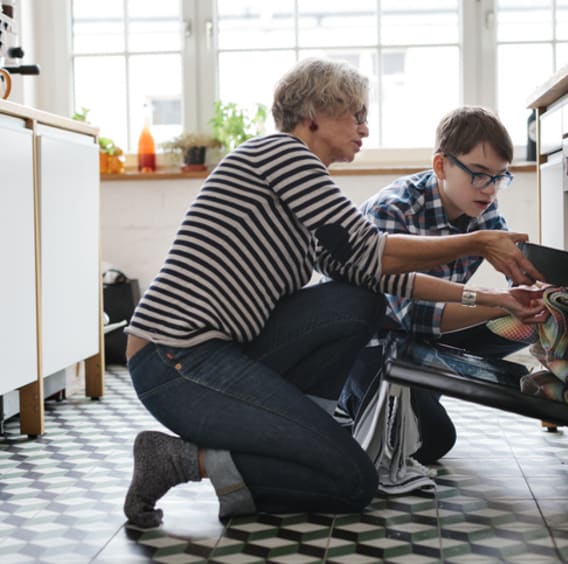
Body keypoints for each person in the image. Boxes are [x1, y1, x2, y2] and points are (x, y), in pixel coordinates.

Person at [122, 58, 545, 529]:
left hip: (221, 353)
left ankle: (309, 429)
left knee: (356, 299)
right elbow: (373, 251)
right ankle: (179, 460)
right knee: (352, 482)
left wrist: (495, 302)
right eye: (356, 115)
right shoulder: (283, 155)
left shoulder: (306, 186)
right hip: (176, 358)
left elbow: (378, 277)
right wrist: (476, 242)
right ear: (314, 115)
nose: (365, 128)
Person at [339, 106, 534, 465]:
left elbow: (516, 272)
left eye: (500, 177)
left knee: (527, 326)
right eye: (479, 175)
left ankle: (420, 386)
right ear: (442, 166)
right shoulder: (392, 210)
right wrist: (506, 301)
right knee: (433, 440)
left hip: (422, 339)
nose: (490, 189)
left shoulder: (483, 207)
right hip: (369, 342)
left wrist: (540, 297)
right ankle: (345, 402)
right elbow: (413, 314)